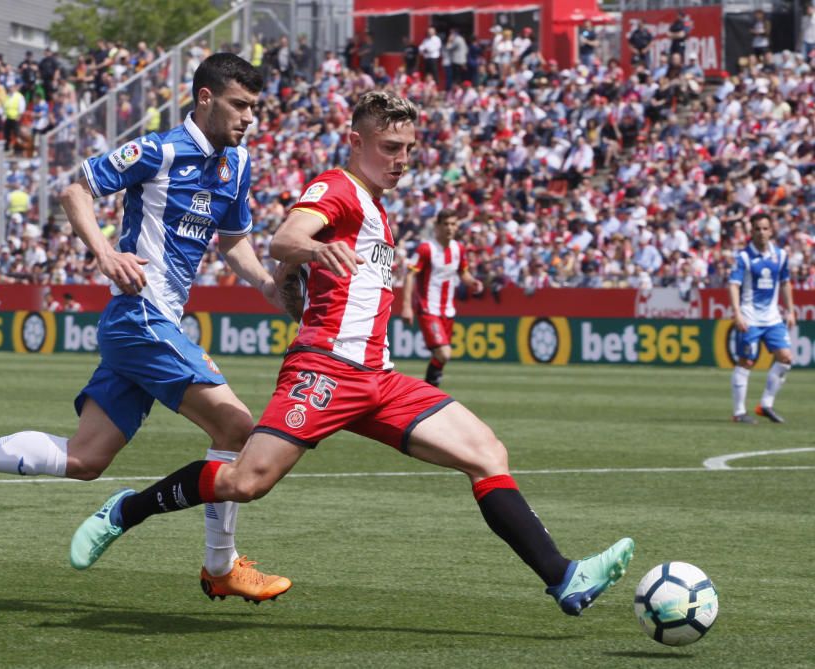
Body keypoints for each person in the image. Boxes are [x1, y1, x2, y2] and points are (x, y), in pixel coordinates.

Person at [70, 90, 634, 617]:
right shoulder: (337, 187)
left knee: (486, 452)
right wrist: (312, 250)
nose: (402, 159)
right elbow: (285, 239)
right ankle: (126, 510)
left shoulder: (376, 207)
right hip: (327, 372)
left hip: (379, 379)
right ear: (357, 141)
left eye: (410, 149)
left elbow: (293, 272)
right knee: (245, 481)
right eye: (390, 148)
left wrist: (295, 282)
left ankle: (565, 577)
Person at [0, 53, 293, 604]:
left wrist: (265, 284)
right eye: (240, 105)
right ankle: (220, 565)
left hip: (149, 323)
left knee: (85, 459)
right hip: (140, 314)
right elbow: (77, 191)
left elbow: (233, 241)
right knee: (237, 428)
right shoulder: (159, 148)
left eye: (254, 108)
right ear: (205, 97)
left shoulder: (235, 165)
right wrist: (104, 253)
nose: (248, 118)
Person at [401, 209, 482, 387]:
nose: (449, 228)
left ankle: (429, 391)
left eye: (453, 224)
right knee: (444, 353)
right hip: (428, 309)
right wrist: (406, 306)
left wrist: (472, 282)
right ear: (437, 226)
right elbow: (410, 275)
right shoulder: (426, 248)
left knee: (441, 357)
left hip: (448, 311)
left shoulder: (458, 249)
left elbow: (463, 273)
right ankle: (429, 391)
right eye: (445, 224)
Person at [728, 212, 795, 423]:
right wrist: (737, 313)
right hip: (750, 317)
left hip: (773, 318)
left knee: (785, 359)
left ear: (771, 230)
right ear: (751, 232)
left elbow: (785, 282)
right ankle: (739, 413)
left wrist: (791, 310)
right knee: (746, 361)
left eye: (765, 228)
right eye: (757, 229)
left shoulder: (780, 255)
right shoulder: (744, 257)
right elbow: (734, 285)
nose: (761, 232)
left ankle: (765, 405)